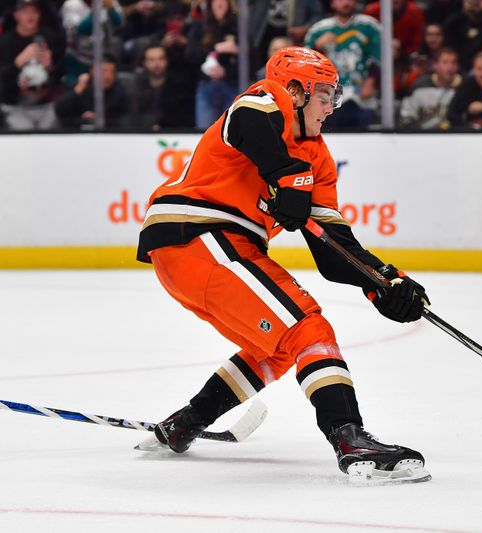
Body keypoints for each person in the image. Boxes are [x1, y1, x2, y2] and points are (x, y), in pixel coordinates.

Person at [135, 46, 432, 483]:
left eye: (335, 95)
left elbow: (333, 247)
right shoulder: (265, 99)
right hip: (199, 234)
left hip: (208, 253)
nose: (331, 106)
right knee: (308, 329)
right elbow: (246, 123)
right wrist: (287, 174)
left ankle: (186, 423)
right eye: (324, 94)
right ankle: (349, 438)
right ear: (294, 89)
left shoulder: (320, 161)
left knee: (273, 349)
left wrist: (381, 281)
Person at [304, 0, 381, 129]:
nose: (346, 2)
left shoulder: (369, 25)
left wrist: (371, 81)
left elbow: (380, 56)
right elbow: (304, 62)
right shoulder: (319, 29)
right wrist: (316, 46)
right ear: (332, 3)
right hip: (329, 95)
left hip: (361, 95)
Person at [0, 0, 64, 130]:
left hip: (45, 105)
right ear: (16, 15)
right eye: (25, 11)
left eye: (34, 11)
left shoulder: (50, 38)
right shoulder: (5, 42)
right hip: (15, 106)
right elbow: (2, 77)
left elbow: (61, 73)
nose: (30, 16)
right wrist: (18, 62)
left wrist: (50, 66)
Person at [186, 0, 241, 130]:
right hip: (206, 85)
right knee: (205, 131)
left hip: (232, 85)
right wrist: (216, 47)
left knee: (232, 132)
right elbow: (190, 54)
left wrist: (227, 71)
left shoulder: (238, 27)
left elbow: (252, 60)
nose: (220, 3)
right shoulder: (200, 26)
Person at [54, 54, 129, 128]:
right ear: (92, 71)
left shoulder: (119, 92)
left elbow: (123, 119)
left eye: (112, 72)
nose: (108, 76)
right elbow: (60, 111)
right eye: (104, 71)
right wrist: (77, 91)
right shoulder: (81, 87)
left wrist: (99, 118)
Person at [130, 44, 194, 129]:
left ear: (167, 61)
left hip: (173, 135)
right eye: (151, 60)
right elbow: (133, 116)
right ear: (144, 63)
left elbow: (185, 118)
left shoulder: (179, 87)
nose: (157, 64)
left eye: (161, 59)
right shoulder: (137, 87)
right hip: (140, 135)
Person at [400, 47, 462, 129]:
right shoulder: (420, 86)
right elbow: (406, 117)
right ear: (435, 65)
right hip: (423, 137)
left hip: (456, 137)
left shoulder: (464, 87)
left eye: (453, 63)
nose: (450, 67)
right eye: (445, 62)